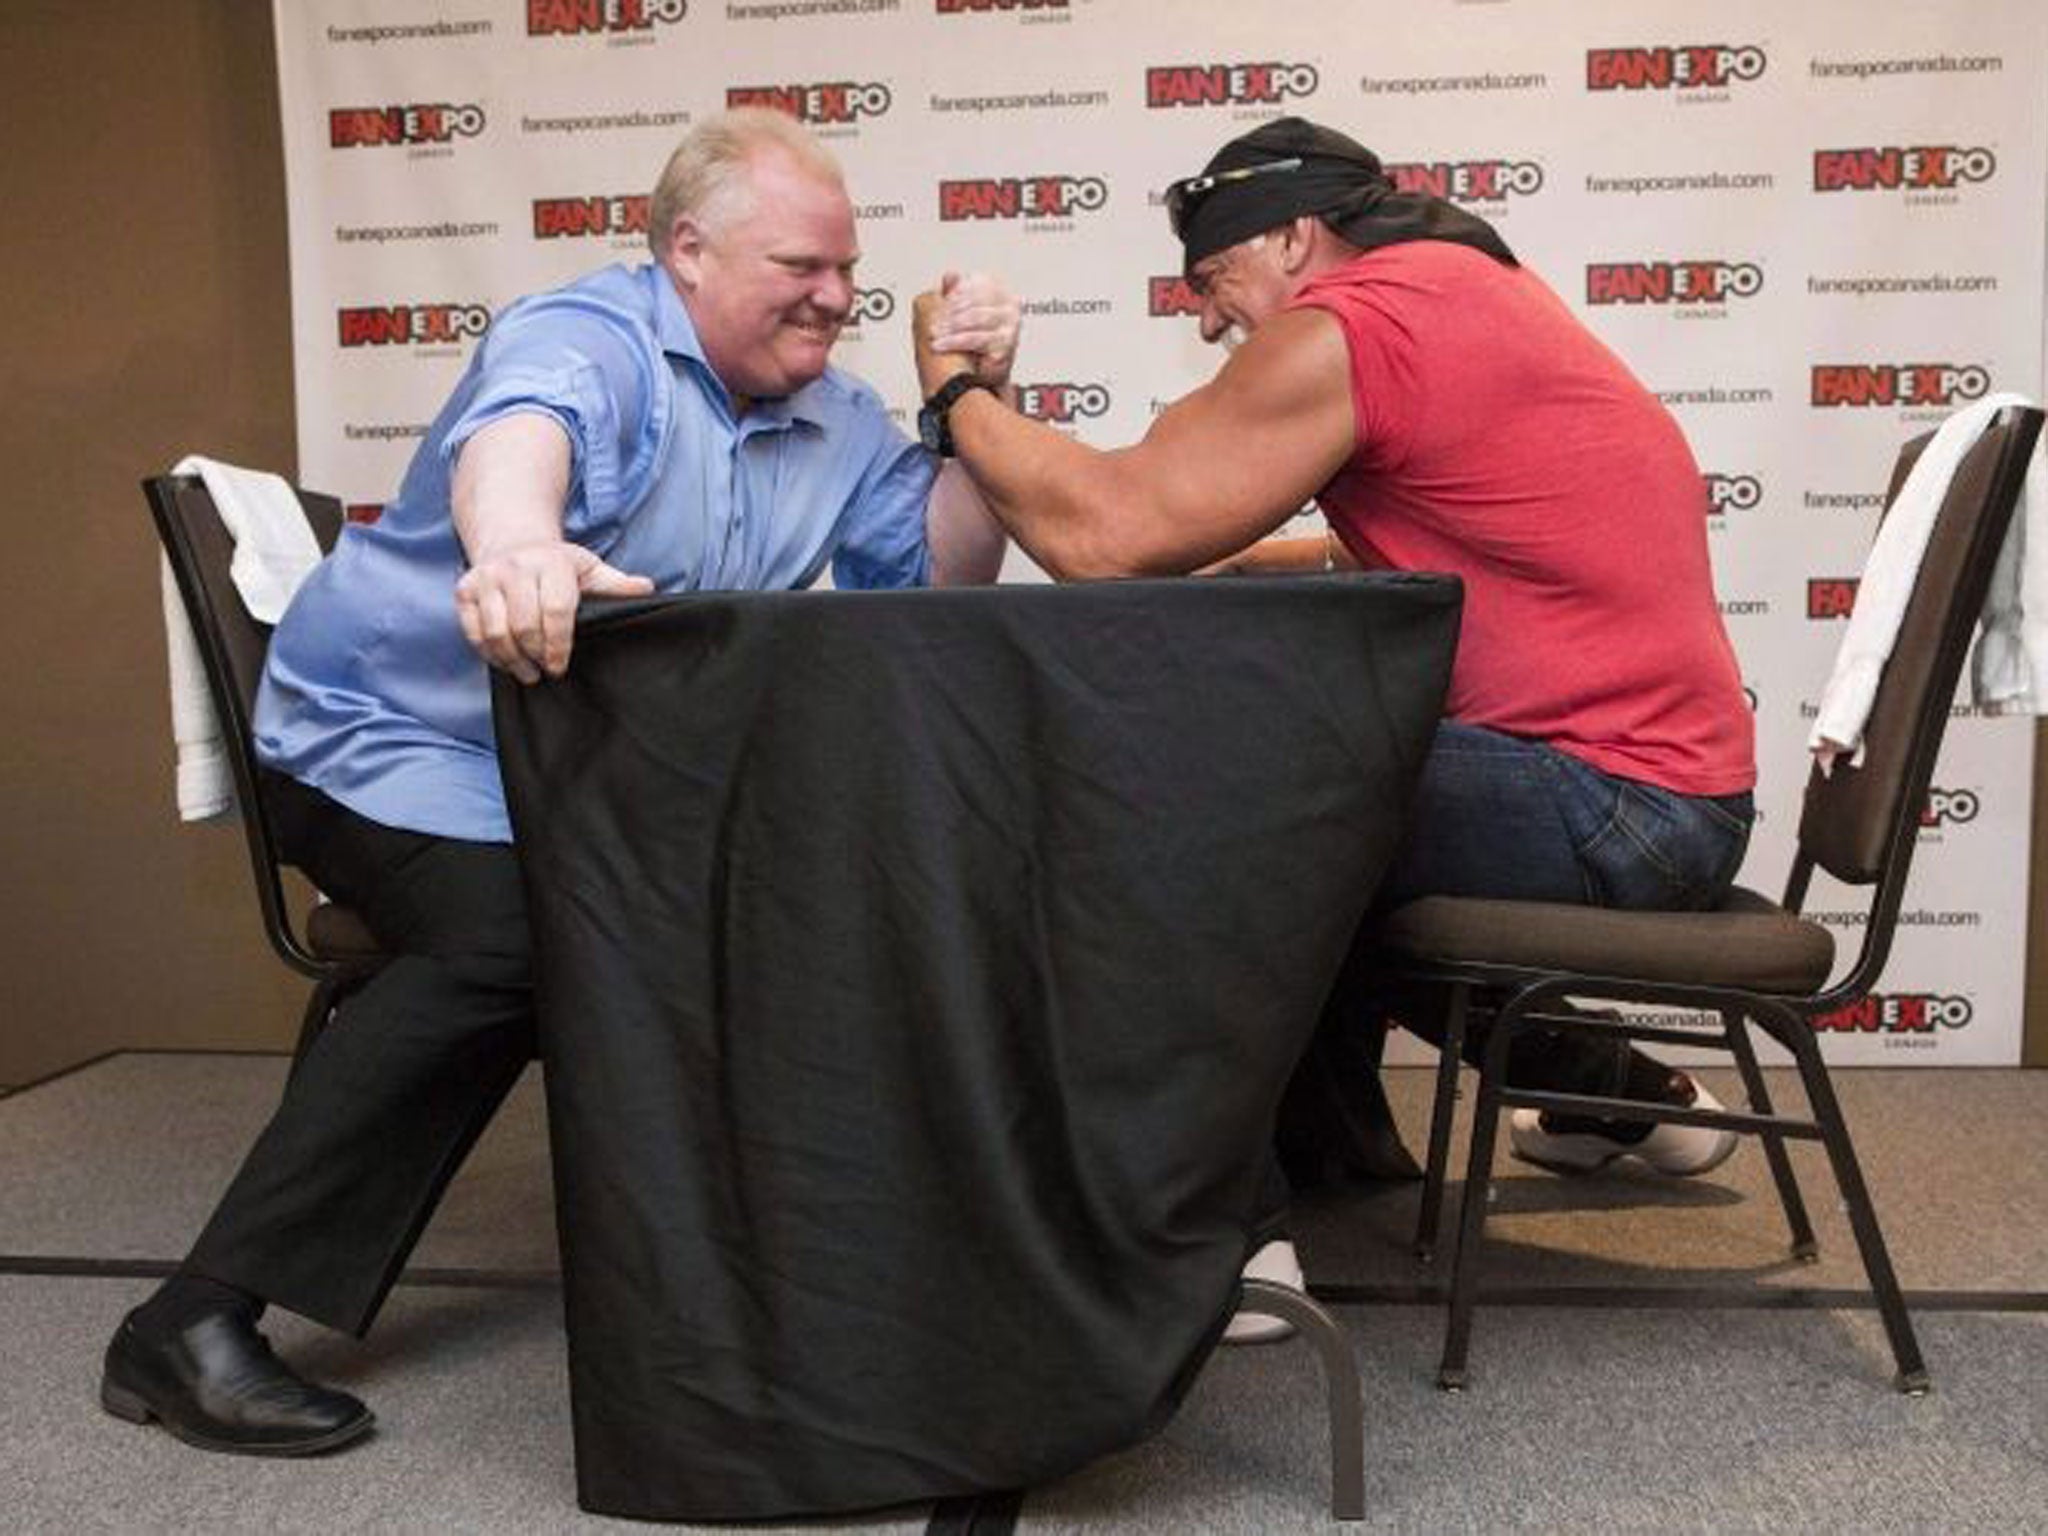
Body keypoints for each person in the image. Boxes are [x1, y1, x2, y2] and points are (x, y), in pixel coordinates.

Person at [103, 108, 1021, 1455]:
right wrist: (521, 547)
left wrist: (974, 411)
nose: (835, 298)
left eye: (845, 270)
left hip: (593, 778)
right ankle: (188, 1322)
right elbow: (518, 442)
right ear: (689, 255)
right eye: (798, 268)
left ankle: (795, 1284)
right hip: (392, 743)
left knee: (822, 888)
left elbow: (942, 575)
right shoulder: (588, 338)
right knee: (520, 939)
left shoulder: (838, 414)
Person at [908, 116, 1758, 1322]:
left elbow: (1105, 535)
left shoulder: (1360, 325)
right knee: (1329, 822)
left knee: (1209, 806)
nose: (1205, 319)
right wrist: (1257, 561)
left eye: (1210, 280)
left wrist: (956, 396)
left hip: (1610, 804)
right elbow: (1465, 543)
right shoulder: (1466, 295)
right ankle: (1619, 1102)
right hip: (1669, 798)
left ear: (1295, 235)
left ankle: (1224, 1236)